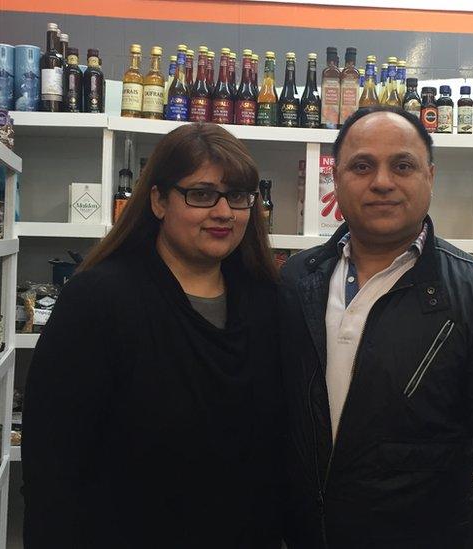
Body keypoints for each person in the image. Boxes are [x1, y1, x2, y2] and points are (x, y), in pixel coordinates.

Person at [279, 106, 473, 548]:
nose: (382, 181)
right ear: (338, 178)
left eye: (402, 165)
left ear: (430, 175)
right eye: (362, 165)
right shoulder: (296, 280)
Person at [22, 123, 284, 548]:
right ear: (159, 200)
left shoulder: (268, 301)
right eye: (201, 194)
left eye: (238, 196)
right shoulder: (99, 302)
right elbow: (52, 468)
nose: (223, 212)